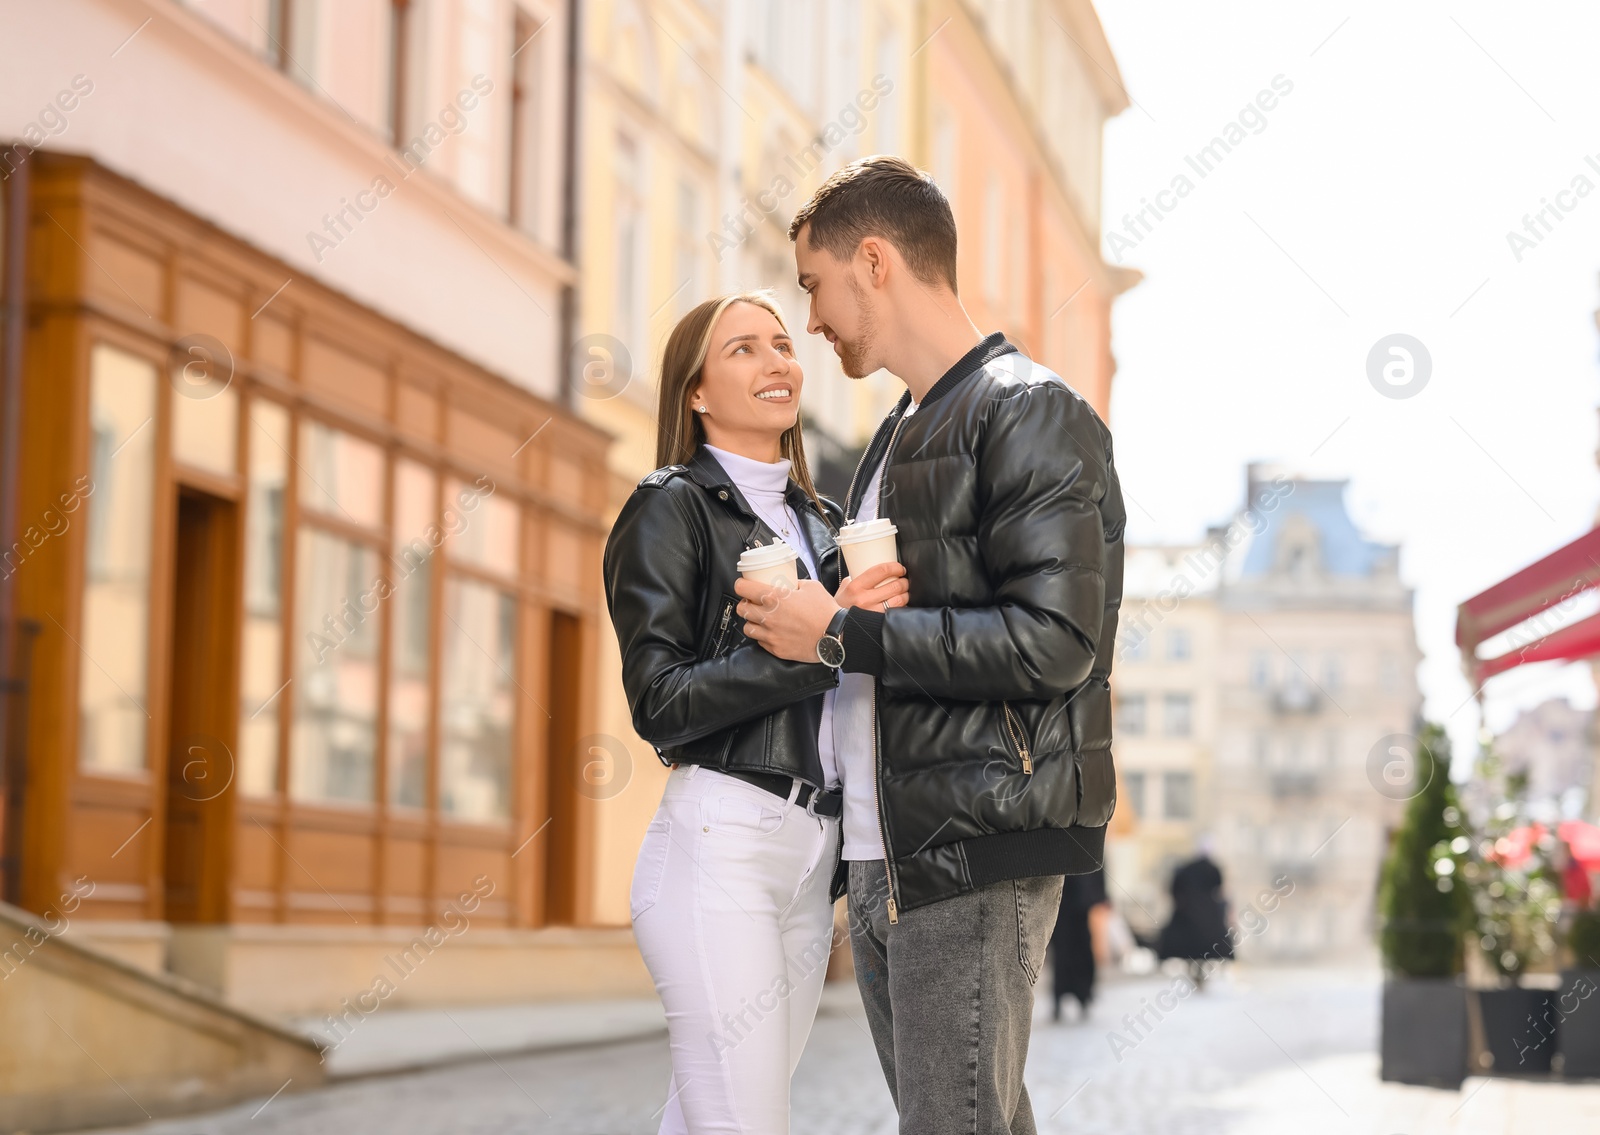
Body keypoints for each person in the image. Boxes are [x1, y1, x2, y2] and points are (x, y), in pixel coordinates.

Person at [736, 156, 1126, 1135]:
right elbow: (873, 629)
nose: (811, 321)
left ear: (873, 261)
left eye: (815, 285)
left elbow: (1055, 643)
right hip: (884, 853)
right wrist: (821, 615)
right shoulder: (893, 436)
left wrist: (842, 632)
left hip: (975, 838)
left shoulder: (1030, 410)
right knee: (966, 1117)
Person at [603, 291, 910, 1134]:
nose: (776, 361)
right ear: (695, 391)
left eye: (782, 343)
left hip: (815, 862)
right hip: (722, 842)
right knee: (744, 1122)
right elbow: (660, 704)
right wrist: (810, 646)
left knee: (716, 1116)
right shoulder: (671, 505)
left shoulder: (825, 523)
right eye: (743, 349)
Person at [1157, 843, 1233, 990]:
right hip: (1207, 920)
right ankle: (1199, 973)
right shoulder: (1212, 870)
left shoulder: (1184, 870)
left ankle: (1196, 971)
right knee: (1203, 950)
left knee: (1191, 950)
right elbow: (1220, 891)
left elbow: (1174, 890)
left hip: (1188, 918)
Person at [1050, 867, 1109, 1022]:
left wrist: (1101, 895)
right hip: (1061, 901)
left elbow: (1097, 862)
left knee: (1080, 949)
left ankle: (1083, 994)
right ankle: (1061, 997)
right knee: (1063, 952)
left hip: (1080, 904)